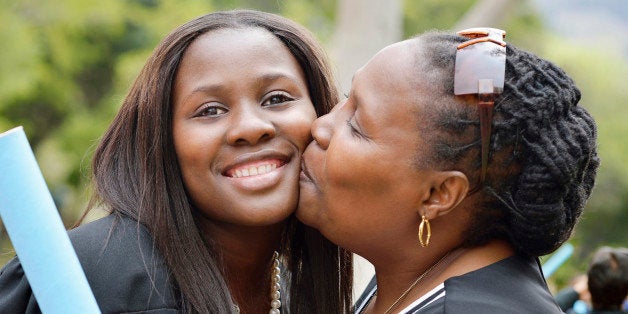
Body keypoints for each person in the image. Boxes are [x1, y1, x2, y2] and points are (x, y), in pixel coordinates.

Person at [0, 9, 353, 313]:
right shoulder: (103, 279)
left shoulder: (288, 283)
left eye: (276, 98)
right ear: (163, 143)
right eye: (209, 110)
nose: (250, 128)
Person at [297, 27, 599, 313]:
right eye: (348, 98)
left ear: (437, 195)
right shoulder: (417, 276)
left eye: (356, 126)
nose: (320, 127)